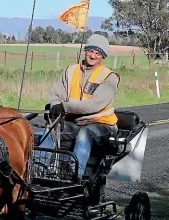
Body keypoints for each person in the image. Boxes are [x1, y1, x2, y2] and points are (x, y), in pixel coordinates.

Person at [48, 34, 120, 182]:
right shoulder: (70, 71)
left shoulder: (109, 77)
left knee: (84, 133)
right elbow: (57, 93)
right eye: (90, 51)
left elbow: (94, 105)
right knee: (50, 130)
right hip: (74, 122)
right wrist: (55, 105)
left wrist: (65, 106)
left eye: (98, 53)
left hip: (101, 124)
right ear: (85, 51)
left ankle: (74, 174)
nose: (93, 56)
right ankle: (37, 168)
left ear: (103, 57)